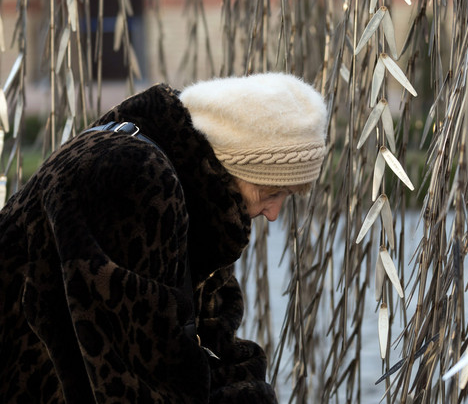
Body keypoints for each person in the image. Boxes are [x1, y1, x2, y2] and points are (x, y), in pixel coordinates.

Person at [0, 73, 328, 403]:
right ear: (239, 165)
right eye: (273, 192)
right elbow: (131, 380)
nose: (273, 213)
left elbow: (206, 342)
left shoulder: (192, 190)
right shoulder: (134, 178)